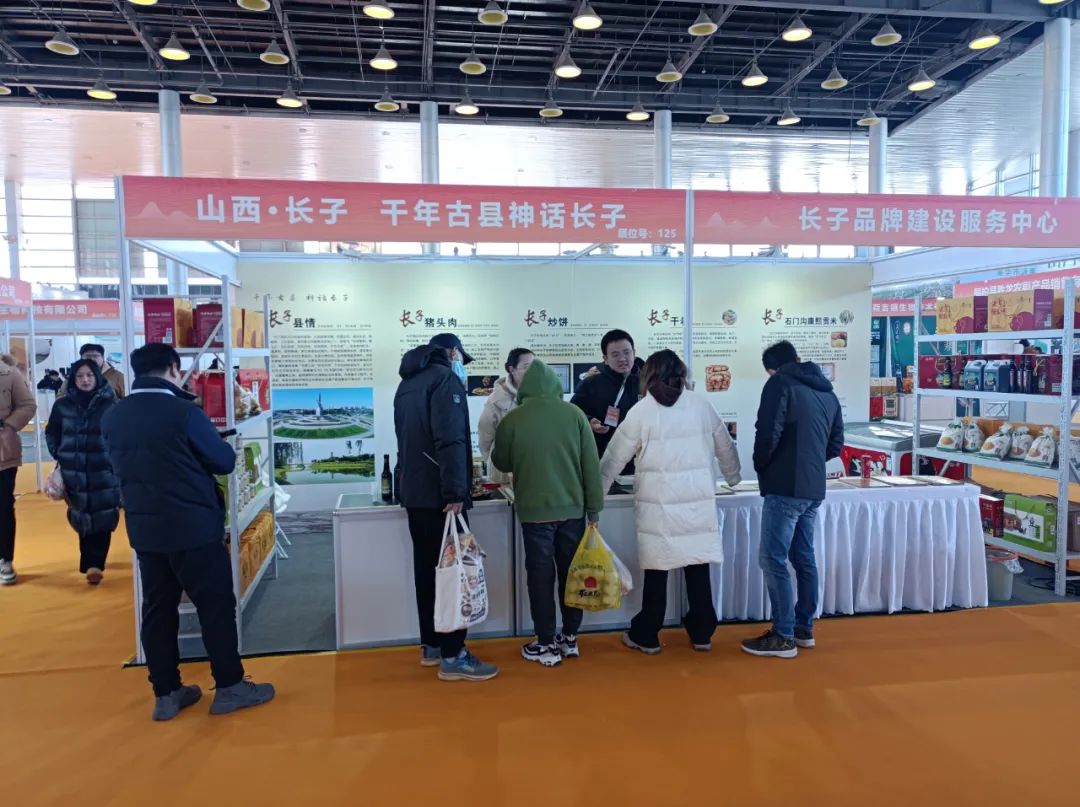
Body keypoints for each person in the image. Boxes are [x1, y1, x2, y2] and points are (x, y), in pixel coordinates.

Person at [102, 343, 274, 720]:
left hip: (145, 528)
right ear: (173, 369)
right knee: (215, 606)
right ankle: (229, 686)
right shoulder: (184, 412)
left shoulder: (115, 415)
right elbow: (224, 462)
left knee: (158, 609)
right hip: (193, 527)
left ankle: (166, 693)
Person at [600, 350, 741, 655]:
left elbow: (614, 456)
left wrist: (597, 492)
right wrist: (733, 477)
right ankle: (702, 633)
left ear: (648, 374)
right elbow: (725, 445)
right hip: (696, 503)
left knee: (657, 571)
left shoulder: (642, 411)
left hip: (658, 506)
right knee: (698, 569)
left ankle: (647, 635)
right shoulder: (701, 405)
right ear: (682, 373)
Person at [394, 333, 498, 682]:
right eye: (461, 359)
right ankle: (454, 654)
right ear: (452, 352)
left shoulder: (407, 384)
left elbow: (405, 442)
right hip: (442, 497)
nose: (461, 366)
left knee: (427, 571)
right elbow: (451, 439)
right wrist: (456, 490)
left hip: (416, 494)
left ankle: (432, 645)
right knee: (455, 573)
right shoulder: (445, 381)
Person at [491, 359, 604, 667]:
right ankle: (570, 638)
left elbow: (501, 461)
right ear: (555, 385)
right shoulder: (574, 414)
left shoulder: (514, 418)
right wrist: (594, 509)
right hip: (573, 511)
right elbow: (591, 467)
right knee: (572, 574)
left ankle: (545, 643)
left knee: (540, 577)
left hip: (534, 513)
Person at [742, 340, 843, 659]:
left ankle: (782, 635)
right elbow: (835, 444)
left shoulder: (779, 384)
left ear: (772, 369)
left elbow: (767, 432)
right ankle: (803, 628)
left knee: (772, 558)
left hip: (784, 485)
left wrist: (762, 466)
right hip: (813, 487)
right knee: (803, 556)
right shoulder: (827, 391)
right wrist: (809, 462)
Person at [45, 359, 120, 586]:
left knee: (104, 514)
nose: (85, 380)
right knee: (81, 514)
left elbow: (120, 437)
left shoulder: (111, 405)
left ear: (97, 376)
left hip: (104, 470)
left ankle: (95, 565)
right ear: (73, 379)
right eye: (79, 376)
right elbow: (52, 432)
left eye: (89, 375)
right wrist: (60, 453)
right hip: (74, 470)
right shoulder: (62, 405)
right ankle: (90, 562)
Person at [571, 329, 641, 463]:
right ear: (606, 359)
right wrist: (590, 421)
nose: (622, 359)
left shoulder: (646, 382)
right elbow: (573, 412)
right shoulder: (591, 383)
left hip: (637, 457)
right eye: (615, 355)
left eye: (627, 352)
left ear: (634, 352)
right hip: (603, 455)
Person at [0, 354, 36, 586]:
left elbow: (27, 405)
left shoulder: (8, 373)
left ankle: (5, 559)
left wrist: (8, 426)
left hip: (3, 452)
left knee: (3, 506)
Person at [477, 348, 534, 486]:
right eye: (526, 367)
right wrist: (495, 462)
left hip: (534, 469)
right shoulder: (496, 400)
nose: (532, 371)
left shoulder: (541, 396)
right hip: (506, 472)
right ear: (512, 369)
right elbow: (485, 439)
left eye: (535, 366)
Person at [59, 343, 125, 400]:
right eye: (88, 356)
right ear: (81, 358)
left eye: (95, 356)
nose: (92, 359)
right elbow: (60, 397)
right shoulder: (72, 376)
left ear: (103, 357)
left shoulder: (118, 376)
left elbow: (126, 400)